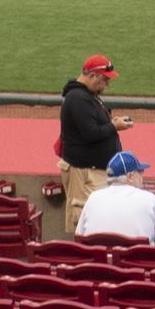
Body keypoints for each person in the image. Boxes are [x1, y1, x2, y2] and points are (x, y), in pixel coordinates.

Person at [56, 55, 125, 233]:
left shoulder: (87, 95)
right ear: (93, 75)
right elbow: (90, 133)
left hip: (93, 172)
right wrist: (113, 126)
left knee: (98, 222)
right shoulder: (78, 98)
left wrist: (111, 124)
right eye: (105, 79)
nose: (107, 84)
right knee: (85, 224)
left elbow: (93, 126)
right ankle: (85, 259)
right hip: (85, 174)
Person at [75, 152, 155, 241]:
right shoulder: (149, 199)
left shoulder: (93, 198)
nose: (142, 177)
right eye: (140, 172)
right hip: (135, 256)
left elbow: (79, 236)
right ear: (130, 176)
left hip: (98, 256)